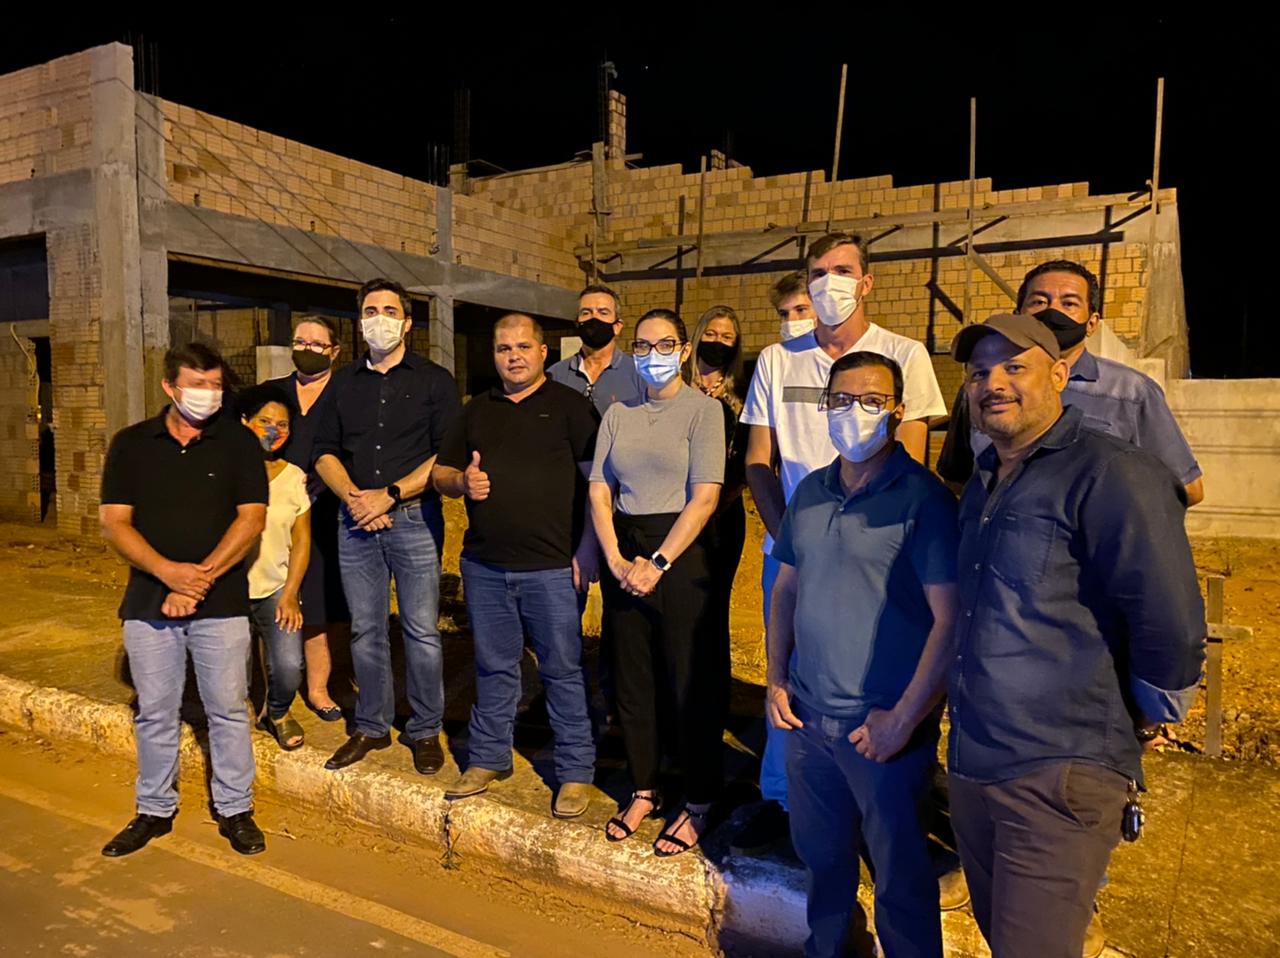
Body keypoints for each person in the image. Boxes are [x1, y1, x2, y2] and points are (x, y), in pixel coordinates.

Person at [947, 313, 1205, 958]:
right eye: (979, 373)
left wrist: (1148, 712)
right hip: (976, 760)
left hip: (1058, 769)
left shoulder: (1113, 472)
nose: (993, 384)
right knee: (1003, 936)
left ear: (1060, 374)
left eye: (1014, 367)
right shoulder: (986, 479)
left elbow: (1169, 617)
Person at [735, 232, 947, 854]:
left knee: (877, 675)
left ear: (867, 282)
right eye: (819, 271)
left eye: (844, 270)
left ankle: (879, 801)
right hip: (796, 552)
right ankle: (784, 799)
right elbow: (758, 460)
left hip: (879, 554)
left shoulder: (904, 354)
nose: (831, 282)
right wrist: (795, 538)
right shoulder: (778, 361)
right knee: (789, 682)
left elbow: (912, 457)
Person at [767, 351, 959, 958]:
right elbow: (786, 589)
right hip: (808, 723)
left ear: (897, 412)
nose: (855, 413)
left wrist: (904, 719)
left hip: (881, 734)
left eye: (873, 401)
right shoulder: (811, 493)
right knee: (823, 866)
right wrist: (776, 678)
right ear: (825, 406)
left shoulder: (924, 501)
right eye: (842, 400)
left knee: (901, 880)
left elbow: (951, 621)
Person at [99, 343, 269, 857]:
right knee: (155, 711)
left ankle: (235, 808)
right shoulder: (131, 444)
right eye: (197, 385)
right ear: (170, 388)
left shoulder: (239, 443)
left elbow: (252, 519)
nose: (208, 394)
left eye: (215, 385)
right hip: (149, 601)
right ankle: (153, 809)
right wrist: (169, 574)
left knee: (228, 709)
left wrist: (199, 579)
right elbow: (115, 522)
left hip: (222, 601)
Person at [433, 314, 599, 818]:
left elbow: (599, 487)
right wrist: (462, 483)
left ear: (543, 352)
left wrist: (588, 550)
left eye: (523, 347)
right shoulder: (476, 410)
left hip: (552, 567)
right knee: (493, 665)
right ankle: (488, 757)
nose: (514, 356)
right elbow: (442, 472)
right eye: (504, 348)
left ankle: (575, 771)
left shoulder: (572, 408)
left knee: (562, 669)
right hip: (485, 566)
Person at [589, 308, 726, 857]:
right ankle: (644, 786)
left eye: (665, 345)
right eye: (643, 347)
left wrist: (658, 562)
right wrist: (616, 558)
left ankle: (699, 799)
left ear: (684, 350)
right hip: (626, 553)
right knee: (633, 679)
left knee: (688, 681)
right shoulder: (617, 414)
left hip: (680, 556)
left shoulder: (705, 412)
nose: (653, 356)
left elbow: (705, 497)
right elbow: (600, 489)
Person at [314, 278, 462, 774]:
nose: (380, 319)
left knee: (421, 630)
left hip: (413, 518)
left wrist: (390, 494)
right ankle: (372, 726)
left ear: (407, 322)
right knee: (366, 630)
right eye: (371, 311)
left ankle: (425, 729)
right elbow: (324, 451)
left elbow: (445, 453)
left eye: (390, 311)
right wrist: (355, 499)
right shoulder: (343, 384)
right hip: (355, 520)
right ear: (360, 321)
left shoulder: (435, 381)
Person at [936, 259, 1204, 507]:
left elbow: (1186, 488)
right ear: (1019, 314)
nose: (1053, 312)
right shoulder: (983, 391)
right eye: (1039, 302)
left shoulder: (1130, 392)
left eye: (1069, 303)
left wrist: (1099, 520)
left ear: (1092, 323)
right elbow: (958, 478)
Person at [263, 315, 349, 721]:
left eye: (317, 344)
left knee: (320, 602)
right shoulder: (273, 392)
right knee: (272, 594)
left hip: (329, 512)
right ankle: (275, 683)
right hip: (277, 512)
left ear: (335, 351)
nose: (307, 350)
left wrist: (332, 479)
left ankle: (318, 687)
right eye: (300, 342)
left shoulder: (347, 392)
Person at [239, 384, 311, 751]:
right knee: (231, 672)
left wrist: (291, 593)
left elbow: (302, 539)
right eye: (264, 421)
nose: (273, 430)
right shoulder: (226, 470)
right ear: (245, 422)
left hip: (275, 589)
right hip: (230, 591)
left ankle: (277, 712)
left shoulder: (294, 477)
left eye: (282, 425)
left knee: (289, 667)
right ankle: (232, 719)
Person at [684, 305, 749, 703]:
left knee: (712, 606)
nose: (717, 342)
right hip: (675, 514)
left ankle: (711, 696)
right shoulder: (677, 386)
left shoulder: (744, 394)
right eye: (710, 334)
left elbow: (747, 460)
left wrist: (715, 502)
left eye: (727, 337)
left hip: (723, 517)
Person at [548, 284, 647, 415]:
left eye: (603, 312)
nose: (594, 318)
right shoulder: (555, 375)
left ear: (617, 326)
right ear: (577, 323)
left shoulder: (640, 374)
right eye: (586, 313)